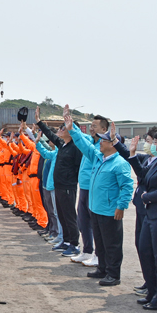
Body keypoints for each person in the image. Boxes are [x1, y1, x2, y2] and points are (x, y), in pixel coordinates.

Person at [115, 124, 157, 310]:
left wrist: (145, 197)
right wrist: (133, 154)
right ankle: (152, 292)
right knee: (145, 251)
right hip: (152, 214)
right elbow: (143, 176)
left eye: (155, 143)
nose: (151, 146)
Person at [65, 109, 134, 286]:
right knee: (101, 242)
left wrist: (121, 206)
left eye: (103, 141)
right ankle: (102, 268)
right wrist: (72, 129)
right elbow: (85, 146)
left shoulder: (120, 163)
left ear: (113, 143)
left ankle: (113, 274)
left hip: (110, 210)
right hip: (96, 208)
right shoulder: (99, 158)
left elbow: (127, 186)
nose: (100, 143)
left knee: (112, 244)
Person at [35, 106, 83, 258]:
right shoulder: (63, 145)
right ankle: (67, 241)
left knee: (69, 216)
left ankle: (74, 244)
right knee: (62, 215)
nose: (60, 131)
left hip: (68, 186)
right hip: (59, 186)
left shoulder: (76, 147)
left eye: (63, 129)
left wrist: (71, 180)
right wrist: (39, 122)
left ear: (71, 131)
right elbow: (50, 134)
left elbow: (78, 167)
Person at [72, 115, 111, 267]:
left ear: (104, 129)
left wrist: (71, 129)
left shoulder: (102, 147)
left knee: (95, 223)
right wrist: (71, 126)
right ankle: (87, 250)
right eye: (91, 125)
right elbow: (81, 137)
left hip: (94, 189)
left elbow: (81, 142)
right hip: (84, 187)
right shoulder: (91, 141)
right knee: (83, 221)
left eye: (95, 126)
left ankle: (98, 255)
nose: (91, 128)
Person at [37, 134, 63, 247]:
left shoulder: (60, 151)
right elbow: (44, 151)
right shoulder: (54, 152)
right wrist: (36, 139)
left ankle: (58, 235)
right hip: (47, 184)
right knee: (51, 210)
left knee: (56, 212)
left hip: (54, 185)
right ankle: (53, 231)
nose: (50, 141)